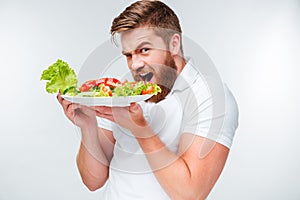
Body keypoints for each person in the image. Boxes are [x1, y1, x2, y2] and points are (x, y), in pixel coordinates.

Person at [57, 1, 239, 199]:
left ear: (174, 44)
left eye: (144, 50)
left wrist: (140, 129)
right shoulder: (125, 90)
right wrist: (88, 126)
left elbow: (190, 193)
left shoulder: (209, 96)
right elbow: (93, 181)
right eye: (128, 54)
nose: (134, 65)